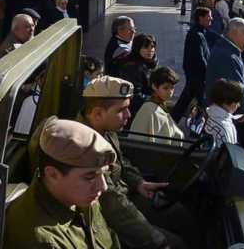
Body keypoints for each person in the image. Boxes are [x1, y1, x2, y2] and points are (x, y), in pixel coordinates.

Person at [79, 76, 191, 249]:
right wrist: (156, 241)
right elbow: (112, 204)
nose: (128, 115)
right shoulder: (85, 147)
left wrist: (138, 182)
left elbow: (121, 161)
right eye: (121, 110)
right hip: (108, 214)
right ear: (98, 113)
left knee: (181, 215)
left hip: (125, 196)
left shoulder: (105, 130)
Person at [4, 117, 119, 248]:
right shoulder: (42, 241)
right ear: (52, 174)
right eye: (90, 176)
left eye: (104, 173)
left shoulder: (82, 198)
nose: (103, 186)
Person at [204, 18, 244, 126]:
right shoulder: (228, 56)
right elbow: (237, 87)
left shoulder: (227, 50)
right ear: (234, 34)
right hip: (229, 116)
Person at [173, 7, 212, 121]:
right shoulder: (196, 35)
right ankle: (197, 128)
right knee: (202, 103)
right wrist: (207, 71)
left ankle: (174, 120)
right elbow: (199, 58)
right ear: (201, 18)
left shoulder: (199, 33)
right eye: (208, 16)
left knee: (187, 101)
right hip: (197, 75)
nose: (211, 19)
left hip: (196, 75)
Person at [130, 67, 185, 146]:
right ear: (154, 87)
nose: (170, 92)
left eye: (172, 88)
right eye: (165, 88)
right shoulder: (149, 110)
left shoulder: (160, 107)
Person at [114, 33, 157, 118]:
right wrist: (153, 99)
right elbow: (135, 95)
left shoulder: (149, 63)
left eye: (152, 47)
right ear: (138, 48)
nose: (150, 50)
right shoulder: (133, 67)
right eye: (145, 47)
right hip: (135, 111)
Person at [203, 79, 244, 145]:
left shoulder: (208, 115)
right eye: (237, 102)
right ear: (230, 104)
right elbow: (229, 152)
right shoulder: (226, 128)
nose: (239, 105)